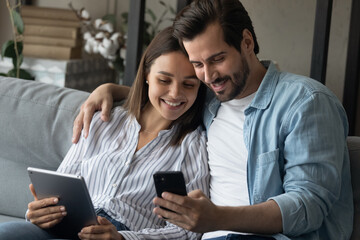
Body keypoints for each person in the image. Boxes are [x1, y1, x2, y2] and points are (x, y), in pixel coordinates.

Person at [71, 0, 354, 239]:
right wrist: (108, 89)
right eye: (198, 65)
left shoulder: (305, 102)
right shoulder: (209, 99)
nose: (208, 75)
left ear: (246, 42)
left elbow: (309, 206)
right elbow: (169, 95)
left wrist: (217, 218)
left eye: (217, 59)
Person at [0, 27, 209, 240]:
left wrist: (123, 238)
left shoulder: (193, 145)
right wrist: (38, 212)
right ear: (146, 75)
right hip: (64, 224)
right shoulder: (104, 120)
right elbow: (61, 183)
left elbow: (189, 232)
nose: (175, 93)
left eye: (189, 84)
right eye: (164, 80)